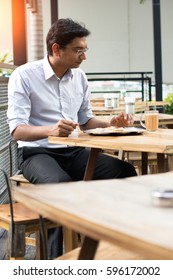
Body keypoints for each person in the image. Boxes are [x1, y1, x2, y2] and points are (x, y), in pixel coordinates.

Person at [7, 18, 137, 259]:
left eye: (84, 50)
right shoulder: (23, 75)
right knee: (60, 188)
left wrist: (109, 122)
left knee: (125, 172)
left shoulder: (80, 78)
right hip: (37, 153)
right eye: (78, 50)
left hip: (74, 150)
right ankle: (56, 262)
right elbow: (17, 130)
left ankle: (113, 248)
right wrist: (50, 130)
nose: (83, 56)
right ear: (56, 48)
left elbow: (86, 121)